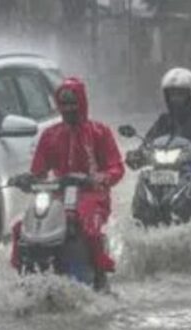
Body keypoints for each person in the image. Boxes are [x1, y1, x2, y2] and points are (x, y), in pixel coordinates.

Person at [14, 77, 125, 285]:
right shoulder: (50, 135)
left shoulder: (99, 132)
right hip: (57, 194)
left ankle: (100, 271)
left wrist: (98, 179)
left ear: (82, 102)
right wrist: (25, 180)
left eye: (73, 103)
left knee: (88, 227)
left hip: (92, 195)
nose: (69, 108)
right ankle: (19, 272)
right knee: (22, 226)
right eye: (64, 104)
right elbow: (38, 172)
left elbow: (117, 167)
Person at [129, 67, 191, 232]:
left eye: (180, 94)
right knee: (143, 179)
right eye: (172, 95)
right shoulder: (163, 121)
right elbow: (148, 142)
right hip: (161, 171)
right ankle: (138, 225)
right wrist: (137, 154)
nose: (175, 99)